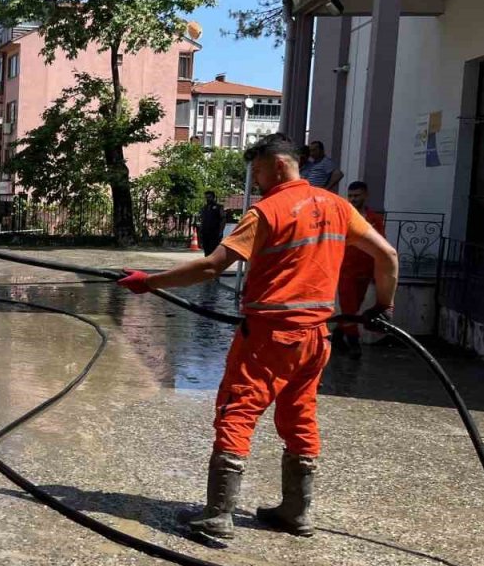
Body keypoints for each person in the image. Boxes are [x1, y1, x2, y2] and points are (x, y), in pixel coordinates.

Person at [118, 133, 398, 540]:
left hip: (269, 336)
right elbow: (387, 255)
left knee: (237, 411)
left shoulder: (267, 211)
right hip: (315, 338)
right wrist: (383, 307)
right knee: (299, 416)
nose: (258, 181)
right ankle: (296, 512)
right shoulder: (338, 207)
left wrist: (150, 282)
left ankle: (218, 516)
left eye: (259, 172)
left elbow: (211, 266)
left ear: (279, 166)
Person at [333, 181, 387, 359]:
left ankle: (337, 336)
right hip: (345, 270)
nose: (353, 199)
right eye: (350, 196)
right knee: (349, 307)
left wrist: (378, 270)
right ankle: (354, 343)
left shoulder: (374, 219)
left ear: (365, 195)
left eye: (356, 196)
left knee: (354, 308)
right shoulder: (343, 217)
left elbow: (381, 244)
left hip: (365, 271)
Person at [195, 190, 226, 255]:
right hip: (205, 233)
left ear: (213, 197)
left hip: (215, 233)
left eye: (209, 197)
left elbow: (223, 219)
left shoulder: (219, 207)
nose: (208, 199)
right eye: (206, 197)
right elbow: (202, 220)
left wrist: (221, 231)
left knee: (213, 251)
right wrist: (200, 231)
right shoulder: (204, 208)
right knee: (206, 251)